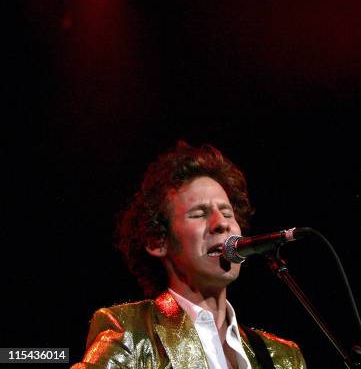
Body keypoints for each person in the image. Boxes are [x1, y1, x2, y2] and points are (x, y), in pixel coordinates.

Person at [72, 141, 306, 369]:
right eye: (199, 214)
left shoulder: (282, 358)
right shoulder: (131, 333)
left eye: (227, 212)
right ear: (157, 241)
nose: (221, 224)